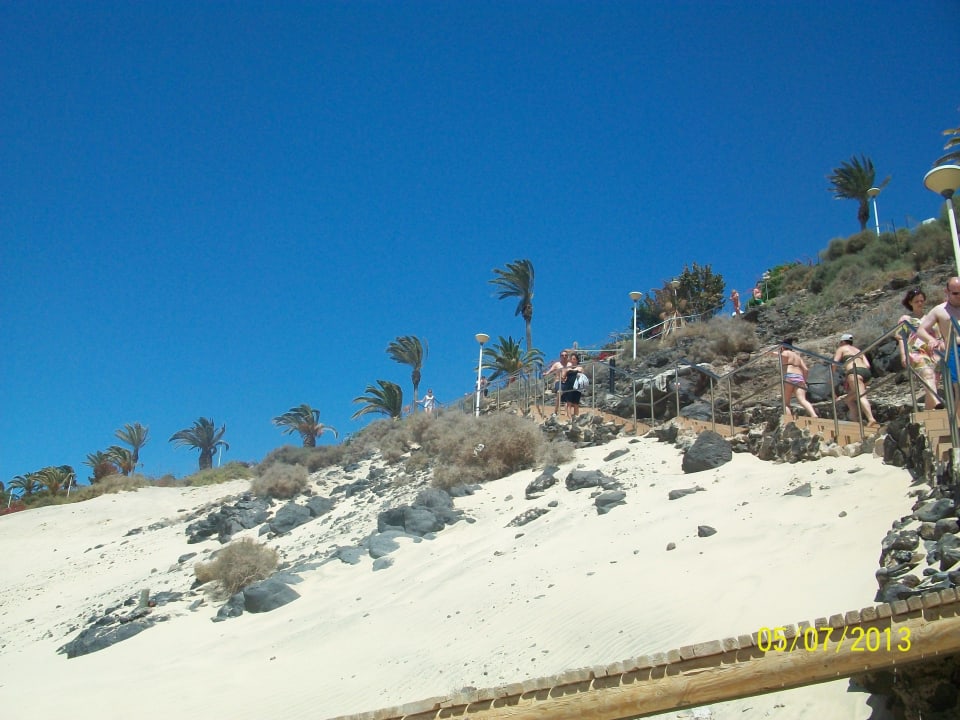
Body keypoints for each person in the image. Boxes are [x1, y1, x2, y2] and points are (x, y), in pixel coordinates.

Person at [917, 277, 960, 415]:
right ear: (946, 291)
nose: (959, 296)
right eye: (955, 293)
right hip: (954, 350)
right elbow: (920, 330)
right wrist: (931, 340)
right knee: (958, 387)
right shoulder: (940, 310)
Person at [898, 288, 941, 410]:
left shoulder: (930, 318)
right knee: (928, 375)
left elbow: (938, 336)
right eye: (917, 301)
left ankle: (929, 413)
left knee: (933, 381)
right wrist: (903, 355)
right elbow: (901, 338)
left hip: (932, 353)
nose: (920, 303)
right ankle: (938, 402)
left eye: (922, 301)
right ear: (910, 302)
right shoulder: (906, 319)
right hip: (916, 352)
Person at [834, 333, 878, 427]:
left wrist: (832, 373)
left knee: (861, 396)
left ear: (842, 342)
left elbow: (834, 363)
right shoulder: (858, 350)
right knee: (849, 399)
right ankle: (855, 422)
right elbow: (868, 365)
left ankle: (871, 418)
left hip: (854, 372)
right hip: (866, 373)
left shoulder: (842, 349)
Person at [778, 339, 817, 419]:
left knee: (786, 403)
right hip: (799, 377)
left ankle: (789, 421)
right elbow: (806, 370)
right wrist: (804, 382)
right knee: (802, 400)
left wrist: (771, 353)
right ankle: (813, 415)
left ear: (783, 346)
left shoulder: (785, 352)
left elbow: (782, 355)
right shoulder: (797, 356)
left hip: (789, 376)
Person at [543, 349, 569, 415]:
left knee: (568, 395)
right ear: (560, 356)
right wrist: (546, 373)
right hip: (558, 381)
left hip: (567, 382)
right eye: (562, 355)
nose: (564, 356)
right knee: (559, 392)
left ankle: (566, 412)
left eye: (566, 355)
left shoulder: (570, 364)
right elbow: (551, 370)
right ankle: (556, 410)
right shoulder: (557, 364)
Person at [560, 352, 584, 418]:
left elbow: (582, 376)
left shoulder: (580, 368)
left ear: (576, 360)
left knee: (576, 403)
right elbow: (563, 377)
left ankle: (576, 417)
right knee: (569, 403)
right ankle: (569, 418)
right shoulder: (568, 368)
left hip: (577, 387)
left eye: (574, 359)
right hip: (569, 386)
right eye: (571, 359)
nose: (572, 360)